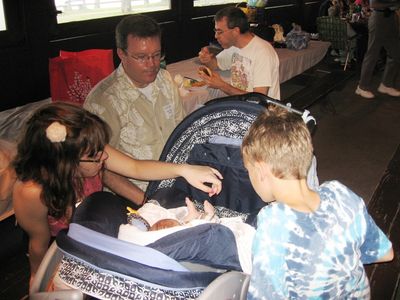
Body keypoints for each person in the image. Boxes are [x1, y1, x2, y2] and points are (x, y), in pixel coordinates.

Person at [12, 102, 222, 286]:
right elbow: (39, 245)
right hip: (64, 245)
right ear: (66, 162)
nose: (104, 156)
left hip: (97, 224)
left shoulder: (87, 150)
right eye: (95, 156)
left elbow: (135, 168)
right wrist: (39, 282)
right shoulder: (32, 193)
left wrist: (184, 169)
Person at [241, 105, 393, 299]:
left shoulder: (273, 224)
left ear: (261, 170)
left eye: (249, 171)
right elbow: (385, 253)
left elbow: (263, 295)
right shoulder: (340, 194)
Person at [84, 14, 186, 201]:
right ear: (121, 54)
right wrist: (147, 203)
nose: (152, 64)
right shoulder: (103, 102)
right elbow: (102, 169)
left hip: (177, 181)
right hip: (136, 194)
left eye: (157, 55)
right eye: (141, 57)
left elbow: (182, 131)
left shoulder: (165, 80)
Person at [118, 197, 255, 274]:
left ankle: (192, 217)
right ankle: (199, 217)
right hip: (200, 237)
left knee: (188, 227)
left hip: (184, 234)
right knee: (200, 226)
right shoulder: (180, 240)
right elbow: (200, 231)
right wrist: (210, 218)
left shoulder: (160, 241)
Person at [197, 6, 280, 100]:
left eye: (220, 32)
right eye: (215, 31)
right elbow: (215, 64)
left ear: (236, 31)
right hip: (240, 106)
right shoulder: (234, 46)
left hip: (261, 112)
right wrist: (207, 59)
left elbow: (258, 98)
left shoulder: (263, 53)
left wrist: (222, 85)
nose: (216, 36)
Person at [355, 0, 400, 99]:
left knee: (396, 52)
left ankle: (386, 84)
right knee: (372, 53)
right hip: (379, 16)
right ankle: (362, 87)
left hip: (391, 16)